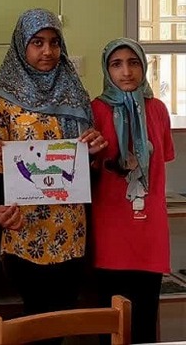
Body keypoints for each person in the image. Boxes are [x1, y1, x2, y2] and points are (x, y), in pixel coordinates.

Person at [0, 9, 106, 332]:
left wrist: (93, 154)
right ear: (21, 45)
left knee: (62, 318)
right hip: (24, 227)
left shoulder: (75, 93)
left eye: (54, 42)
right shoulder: (4, 99)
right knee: (34, 320)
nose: (48, 51)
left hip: (70, 226)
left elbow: (85, 168)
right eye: (37, 42)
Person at [91, 38, 174, 344]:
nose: (126, 72)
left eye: (133, 63)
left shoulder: (158, 109)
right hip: (111, 229)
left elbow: (162, 160)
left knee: (145, 322)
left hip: (150, 231)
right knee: (111, 323)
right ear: (107, 70)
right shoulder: (95, 110)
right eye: (117, 64)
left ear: (144, 66)